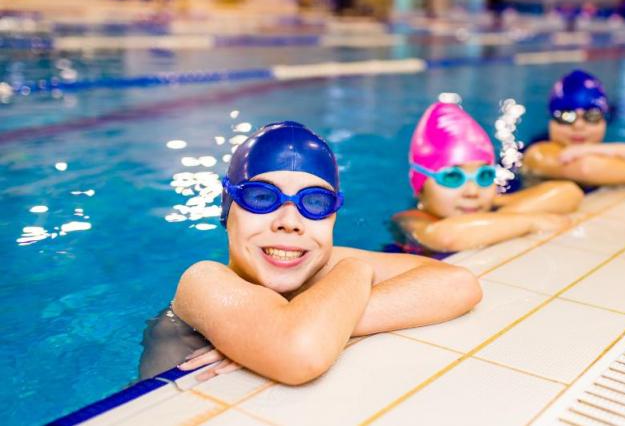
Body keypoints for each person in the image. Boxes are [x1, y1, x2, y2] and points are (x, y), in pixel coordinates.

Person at [140, 121, 482, 384]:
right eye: (261, 197)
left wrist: (316, 322)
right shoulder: (203, 281)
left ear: (333, 217)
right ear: (227, 210)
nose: (290, 222)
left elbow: (459, 284)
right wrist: (356, 272)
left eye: (314, 203)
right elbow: (299, 353)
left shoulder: (322, 262)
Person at [392, 102, 581, 253]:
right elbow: (447, 236)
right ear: (420, 187)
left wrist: (496, 213)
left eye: (484, 175)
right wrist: (531, 221)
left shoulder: (490, 203)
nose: (473, 191)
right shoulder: (412, 219)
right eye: (452, 177)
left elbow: (569, 192)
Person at [522, 70, 625, 186]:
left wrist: (611, 150)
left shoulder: (601, 150)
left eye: (591, 117)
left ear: (604, 121)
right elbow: (587, 169)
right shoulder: (537, 152)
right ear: (551, 122)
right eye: (567, 116)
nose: (578, 126)